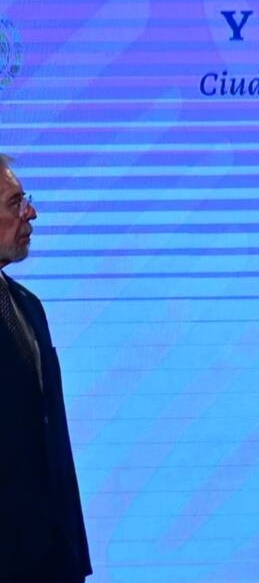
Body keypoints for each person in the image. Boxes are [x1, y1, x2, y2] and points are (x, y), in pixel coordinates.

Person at [0, 155, 92, 583]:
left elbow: (50, 435)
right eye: (15, 202)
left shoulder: (28, 306)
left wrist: (75, 552)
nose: (30, 212)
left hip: (53, 560)